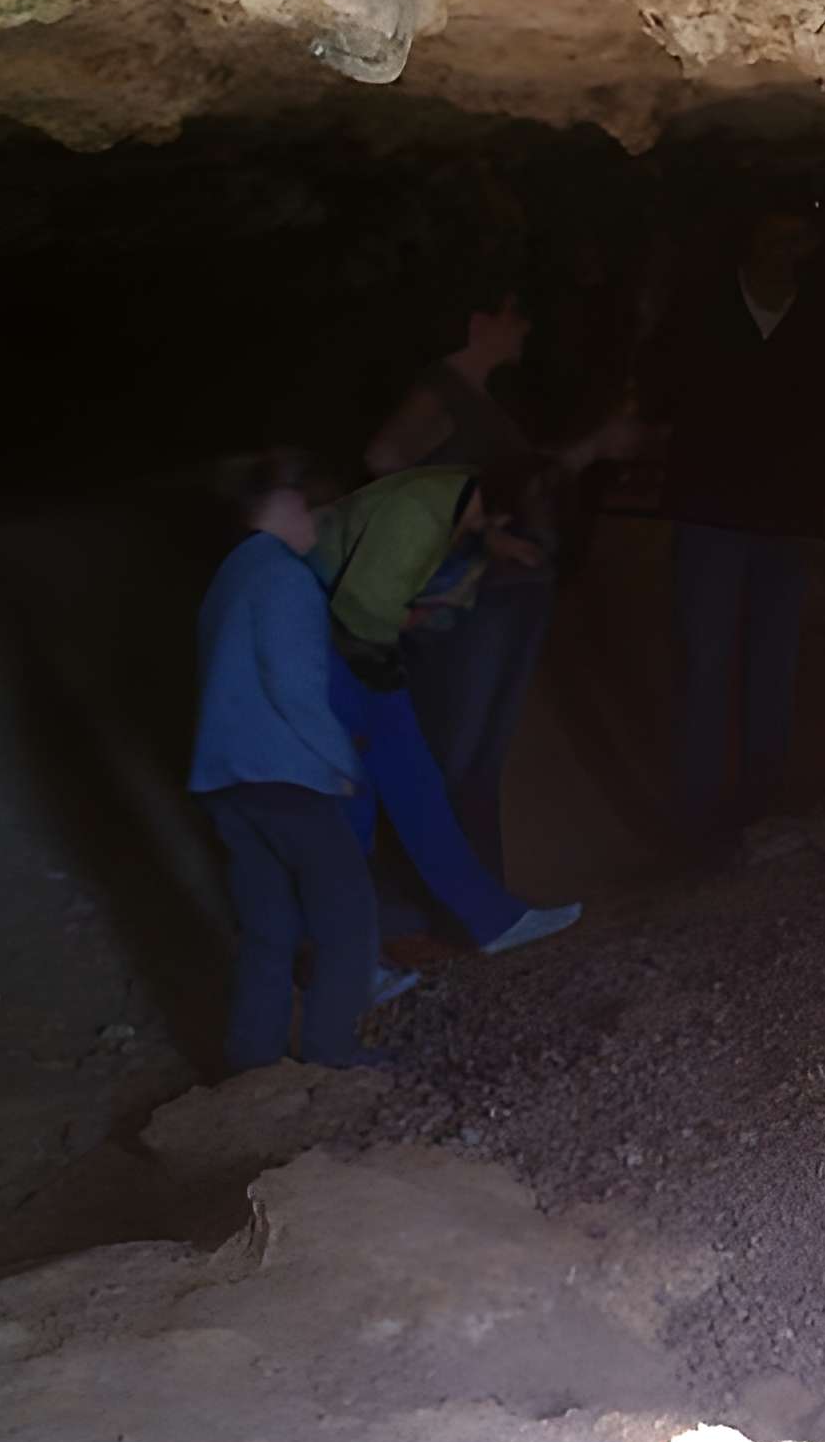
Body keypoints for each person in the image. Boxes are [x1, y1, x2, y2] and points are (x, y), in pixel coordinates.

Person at [364, 287, 640, 878]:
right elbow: (384, 462)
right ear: (477, 322)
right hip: (471, 594)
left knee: (482, 755)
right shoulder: (440, 389)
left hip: (512, 590)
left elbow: (518, 479)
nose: (524, 328)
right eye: (514, 315)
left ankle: (476, 892)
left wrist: (590, 449)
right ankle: (415, 892)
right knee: (452, 747)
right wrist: (474, 530)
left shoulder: (483, 399)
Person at [317, 463, 582, 956]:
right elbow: (360, 609)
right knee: (359, 794)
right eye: (522, 546)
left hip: (354, 648)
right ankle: (347, 945)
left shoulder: (452, 523)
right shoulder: (421, 511)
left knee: (413, 783)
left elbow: (398, 608)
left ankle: (485, 921)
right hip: (333, 645)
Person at [649, 209, 825, 853]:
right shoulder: (705, 304)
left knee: (772, 663)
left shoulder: (819, 314)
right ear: (751, 235)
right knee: (705, 662)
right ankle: (698, 822)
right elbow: (663, 385)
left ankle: (759, 809)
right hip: (709, 510)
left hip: (784, 516)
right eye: (777, 231)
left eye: (799, 235)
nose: (788, 245)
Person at [188, 454, 387, 1075]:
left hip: (226, 778)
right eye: (304, 505)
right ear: (274, 506)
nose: (314, 520)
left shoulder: (230, 575)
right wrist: (341, 762)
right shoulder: (283, 576)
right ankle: (333, 1055)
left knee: (268, 928)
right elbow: (294, 688)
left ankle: (254, 1066)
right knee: (348, 918)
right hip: (285, 775)